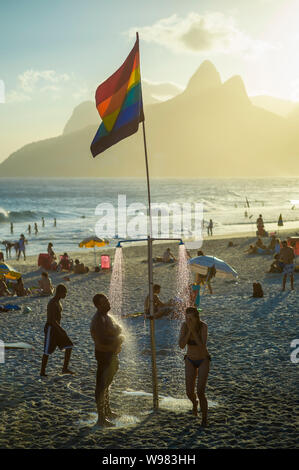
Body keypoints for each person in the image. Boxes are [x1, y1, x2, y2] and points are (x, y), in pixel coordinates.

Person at [90, 294, 124, 427]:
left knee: (106, 385)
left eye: (108, 300)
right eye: (105, 302)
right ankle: (101, 418)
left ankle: (107, 412)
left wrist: (117, 338)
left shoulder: (106, 317)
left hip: (110, 355)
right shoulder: (98, 320)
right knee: (101, 386)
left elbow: (117, 330)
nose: (108, 303)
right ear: (98, 305)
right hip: (104, 356)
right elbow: (100, 341)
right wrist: (116, 341)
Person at [179, 307, 210, 426]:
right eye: (186, 318)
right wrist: (189, 331)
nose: (188, 321)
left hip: (203, 360)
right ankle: (194, 403)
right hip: (190, 359)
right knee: (189, 392)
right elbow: (181, 345)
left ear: (197, 318)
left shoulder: (203, 326)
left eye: (191, 318)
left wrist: (193, 331)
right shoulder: (184, 326)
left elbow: (202, 346)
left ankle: (205, 419)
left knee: (200, 391)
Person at [40, 284, 74, 377]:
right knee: (47, 351)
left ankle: (64, 368)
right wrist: (61, 330)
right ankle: (42, 372)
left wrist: (60, 329)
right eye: (65, 292)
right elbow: (51, 320)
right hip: (51, 328)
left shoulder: (58, 302)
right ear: (59, 292)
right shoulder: (52, 303)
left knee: (69, 345)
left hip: (57, 328)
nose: (66, 294)